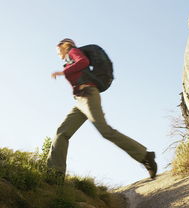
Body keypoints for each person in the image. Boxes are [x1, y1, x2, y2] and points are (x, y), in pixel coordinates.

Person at [47, 38, 157, 181]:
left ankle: (145, 156)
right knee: (61, 133)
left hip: (88, 95)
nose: (58, 54)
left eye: (58, 50)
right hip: (80, 100)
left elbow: (83, 62)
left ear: (64, 45)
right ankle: (54, 175)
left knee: (105, 131)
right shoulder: (69, 60)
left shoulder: (73, 51)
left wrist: (63, 72)